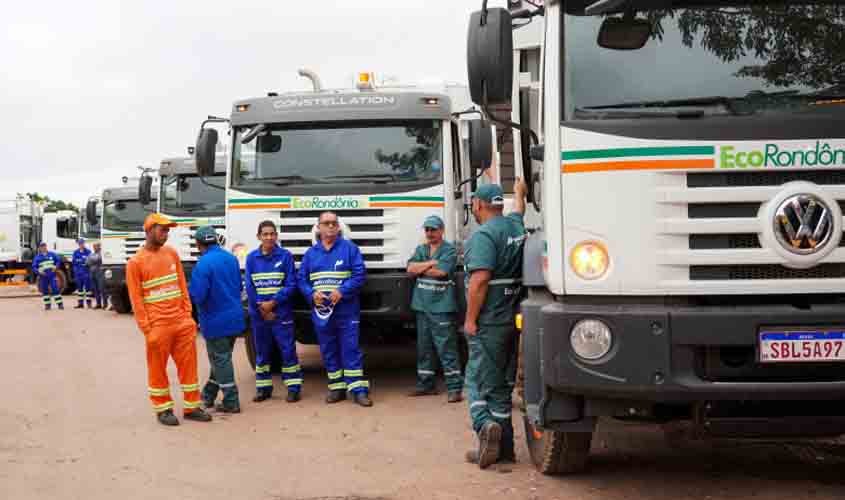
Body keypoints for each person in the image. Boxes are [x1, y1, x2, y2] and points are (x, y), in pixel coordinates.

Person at [463, 180, 527, 469]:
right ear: (501, 204)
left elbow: (479, 281)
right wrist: (521, 192)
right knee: (501, 385)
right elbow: (519, 211)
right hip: (511, 321)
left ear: (478, 204)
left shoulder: (483, 236)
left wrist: (470, 320)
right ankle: (505, 450)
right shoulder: (515, 227)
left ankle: (484, 425)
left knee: (475, 382)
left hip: (489, 321)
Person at [126, 213, 212, 426]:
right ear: (149, 230)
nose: (167, 233)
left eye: (168, 230)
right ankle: (163, 409)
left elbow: (182, 285)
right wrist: (148, 329)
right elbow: (136, 300)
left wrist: (187, 317)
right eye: (162, 229)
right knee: (157, 369)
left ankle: (192, 406)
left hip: (181, 323)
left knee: (189, 367)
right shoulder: (135, 263)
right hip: (158, 326)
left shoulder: (171, 254)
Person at [298, 211, 372, 407]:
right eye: (326, 223)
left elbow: (359, 274)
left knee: (350, 349)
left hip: (346, 310)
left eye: (333, 223)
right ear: (319, 228)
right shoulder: (311, 254)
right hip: (322, 312)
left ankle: (358, 390)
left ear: (338, 227)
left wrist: (342, 291)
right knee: (328, 349)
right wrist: (311, 294)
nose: (330, 226)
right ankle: (337, 388)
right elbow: (301, 280)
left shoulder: (350, 249)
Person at [189, 226, 246, 413]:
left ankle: (231, 401)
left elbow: (198, 295)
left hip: (215, 321)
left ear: (199, 244)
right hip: (235, 318)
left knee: (220, 359)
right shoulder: (231, 259)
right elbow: (238, 286)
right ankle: (208, 395)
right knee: (221, 359)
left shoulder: (203, 264)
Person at [406, 215, 463, 403]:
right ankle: (426, 384)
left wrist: (421, 268)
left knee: (446, 348)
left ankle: (454, 387)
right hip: (422, 306)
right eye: (427, 230)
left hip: (442, 307)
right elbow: (410, 269)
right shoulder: (422, 249)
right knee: (424, 347)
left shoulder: (449, 250)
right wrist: (429, 264)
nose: (429, 233)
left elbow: (442, 272)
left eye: (433, 229)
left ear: (442, 230)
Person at [244, 220, 302, 403]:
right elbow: (250, 287)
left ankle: (293, 389)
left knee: (287, 351)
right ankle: (263, 389)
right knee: (261, 352)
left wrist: (273, 303)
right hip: (260, 315)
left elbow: (292, 285)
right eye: (265, 234)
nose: (269, 237)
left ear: (276, 236)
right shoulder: (251, 258)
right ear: (258, 236)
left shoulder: (285, 256)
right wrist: (262, 308)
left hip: (281, 314)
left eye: (272, 234)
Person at [32, 243, 64, 311]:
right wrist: (38, 272)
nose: (43, 248)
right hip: (43, 276)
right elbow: (34, 267)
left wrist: (56, 267)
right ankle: (47, 305)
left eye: (44, 246)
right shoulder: (37, 257)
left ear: (46, 247)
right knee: (45, 290)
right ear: (40, 248)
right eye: (42, 247)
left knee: (55, 289)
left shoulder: (52, 254)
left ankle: (60, 304)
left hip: (52, 275)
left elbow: (58, 260)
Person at [72, 238, 93, 308]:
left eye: (82, 243)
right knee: (79, 289)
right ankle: (80, 303)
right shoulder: (75, 252)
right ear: (78, 244)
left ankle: (89, 303)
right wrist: (75, 271)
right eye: (80, 244)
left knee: (88, 289)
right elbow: (74, 263)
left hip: (86, 273)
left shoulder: (88, 252)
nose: (81, 245)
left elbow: (90, 263)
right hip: (78, 274)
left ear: (84, 244)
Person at [86, 242, 107, 309]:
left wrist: (91, 261)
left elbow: (97, 259)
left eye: (96, 246)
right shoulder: (92, 254)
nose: (94, 248)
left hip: (100, 273)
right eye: (94, 246)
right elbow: (87, 262)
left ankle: (105, 304)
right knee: (95, 289)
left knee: (102, 289)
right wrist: (91, 261)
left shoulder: (102, 254)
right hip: (92, 273)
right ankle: (98, 304)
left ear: (99, 247)